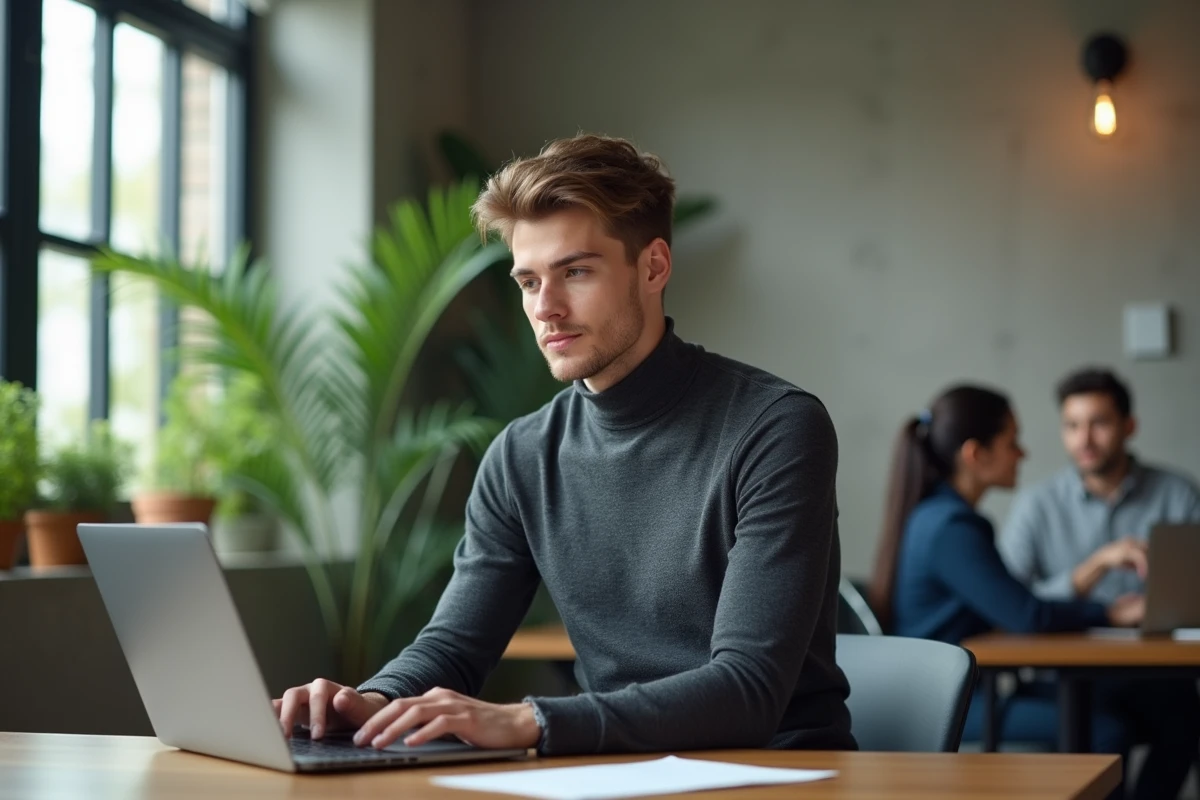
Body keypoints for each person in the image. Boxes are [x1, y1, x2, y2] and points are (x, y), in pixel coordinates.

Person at [274, 134, 855, 755]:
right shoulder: (522, 454)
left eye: (575, 272)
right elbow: (454, 646)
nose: (545, 308)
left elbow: (748, 691)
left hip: (777, 773)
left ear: (653, 267)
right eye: (528, 281)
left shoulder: (775, 428)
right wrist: (372, 702)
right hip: (611, 771)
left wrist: (530, 721)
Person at [867, 385, 1147, 796]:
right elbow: (1026, 615)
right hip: (945, 703)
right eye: (1012, 441)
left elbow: (1017, 607)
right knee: (1105, 730)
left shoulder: (939, 517)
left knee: (1135, 709)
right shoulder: (953, 528)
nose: (1023, 454)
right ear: (975, 454)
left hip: (954, 692)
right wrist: (1110, 614)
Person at [998, 367, 1200, 799]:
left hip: (1156, 671)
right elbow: (1008, 601)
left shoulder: (1178, 493)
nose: (1084, 439)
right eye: (1072, 426)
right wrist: (1095, 570)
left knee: (1188, 720)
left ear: (1130, 426)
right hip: (1065, 675)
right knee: (1104, 731)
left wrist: (1159, 609)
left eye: (1099, 423)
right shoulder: (1036, 504)